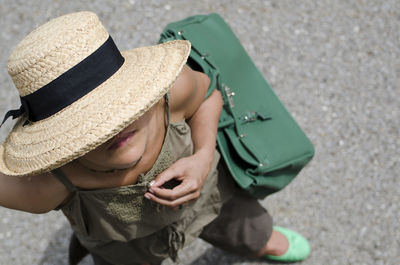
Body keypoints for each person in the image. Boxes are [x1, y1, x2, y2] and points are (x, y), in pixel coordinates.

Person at [0, 11, 310, 265]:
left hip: (206, 197)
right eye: (89, 128)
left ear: (142, 90)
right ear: (58, 145)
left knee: (244, 223)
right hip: (125, 248)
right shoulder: (48, 186)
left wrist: (202, 157)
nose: (117, 128)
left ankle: (258, 240)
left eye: (124, 105)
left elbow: (208, 95)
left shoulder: (169, 96)